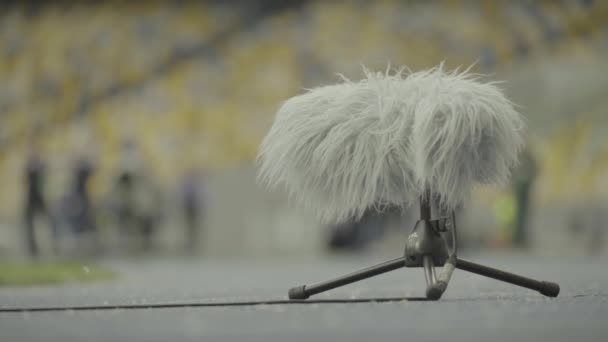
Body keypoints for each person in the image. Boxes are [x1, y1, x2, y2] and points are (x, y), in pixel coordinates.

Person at [22, 140, 56, 257]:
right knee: (30, 223)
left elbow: (46, 180)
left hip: (40, 196)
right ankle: (33, 247)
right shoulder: (28, 164)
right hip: (31, 197)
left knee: (46, 221)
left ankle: (51, 244)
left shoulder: (42, 165)